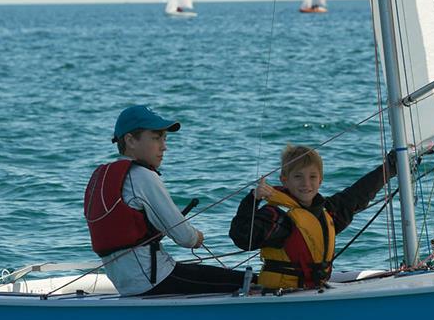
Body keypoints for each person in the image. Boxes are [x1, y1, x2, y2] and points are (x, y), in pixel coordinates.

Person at [84, 105, 246, 296]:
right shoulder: (142, 176)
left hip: (126, 284)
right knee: (246, 281)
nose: (164, 146)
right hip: (156, 280)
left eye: (165, 138)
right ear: (130, 140)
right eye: (156, 137)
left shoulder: (101, 178)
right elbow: (185, 238)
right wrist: (197, 238)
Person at [229, 144, 397, 290]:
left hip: (313, 291)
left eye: (312, 177)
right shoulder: (277, 216)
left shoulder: (327, 212)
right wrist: (252, 199)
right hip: (279, 296)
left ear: (320, 180)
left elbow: (359, 194)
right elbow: (242, 238)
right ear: (284, 180)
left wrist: (391, 167)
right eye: (298, 176)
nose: (306, 183)